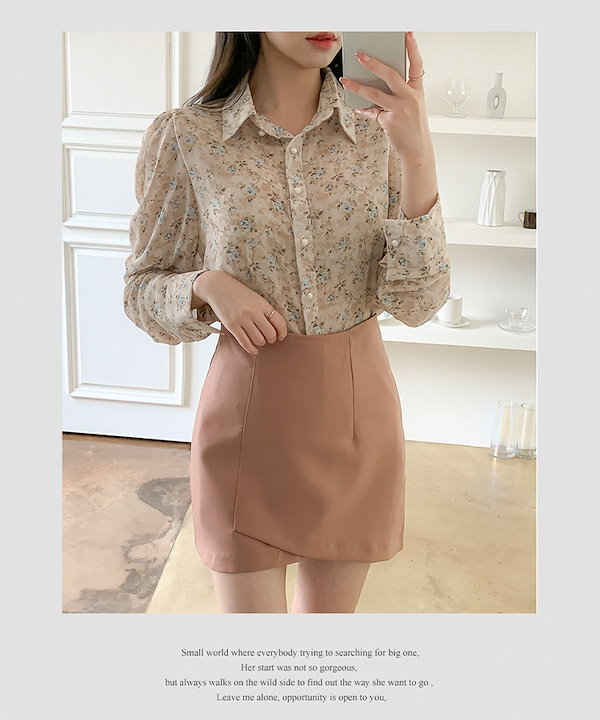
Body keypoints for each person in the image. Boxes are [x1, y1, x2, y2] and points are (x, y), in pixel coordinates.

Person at [123, 31, 451, 613]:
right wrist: (205, 285)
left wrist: (418, 155)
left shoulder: (379, 134)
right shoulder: (188, 135)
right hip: (247, 418)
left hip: (359, 415)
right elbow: (141, 288)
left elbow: (420, 303)